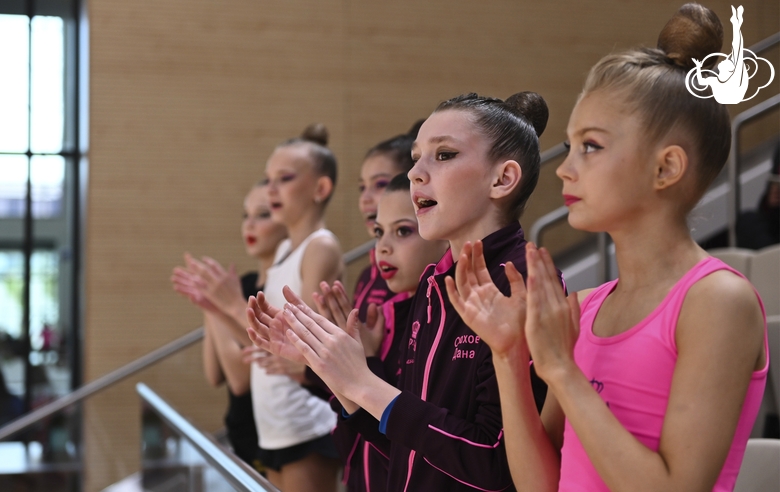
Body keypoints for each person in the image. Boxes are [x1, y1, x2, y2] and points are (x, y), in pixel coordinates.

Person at [446, 5, 768, 491]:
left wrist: (562, 372)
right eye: (571, 146)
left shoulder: (718, 302)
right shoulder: (587, 306)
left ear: (666, 168)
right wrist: (509, 356)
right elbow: (541, 485)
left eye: (591, 146)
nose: (564, 169)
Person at [248, 91, 553, 491]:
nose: (414, 174)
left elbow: (497, 465)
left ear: (502, 179)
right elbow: (411, 446)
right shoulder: (432, 286)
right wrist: (332, 369)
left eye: (443, 155)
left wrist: (362, 381)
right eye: (415, 158)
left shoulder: (523, 287)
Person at [315, 174, 448, 491]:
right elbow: (355, 430)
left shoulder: (439, 316)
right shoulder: (385, 311)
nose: (381, 248)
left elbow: (410, 440)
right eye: (379, 232)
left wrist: (367, 361)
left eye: (403, 231)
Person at [247, 123, 344, 492]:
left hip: (308, 418)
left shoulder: (320, 246)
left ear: (320, 189)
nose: (271, 189)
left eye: (284, 178)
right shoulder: (284, 250)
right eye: (268, 179)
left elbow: (311, 337)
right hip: (277, 421)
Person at [171, 183, 287, 470]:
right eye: (245, 215)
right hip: (241, 429)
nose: (249, 224)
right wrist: (210, 307)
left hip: (274, 430)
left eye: (262, 215)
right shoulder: (242, 285)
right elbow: (214, 375)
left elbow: (240, 380)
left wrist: (219, 306)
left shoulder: (283, 290)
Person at [353, 122, 425, 320]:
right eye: (362, 187)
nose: (365, 198)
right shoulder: (368, 275)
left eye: (381, 184)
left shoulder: (416, 276)